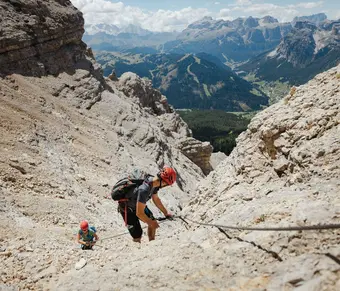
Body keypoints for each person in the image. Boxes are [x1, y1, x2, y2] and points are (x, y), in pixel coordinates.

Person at [118, 166, 177, 243]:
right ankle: (138, 251)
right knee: (137, 235)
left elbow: (156, 199)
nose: (164, 186)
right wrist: (151, 223)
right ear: (163, 182)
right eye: (166, 184)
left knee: (152, 223)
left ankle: (152, 244)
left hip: (138, 205)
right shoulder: (144, 189)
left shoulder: (154, 183)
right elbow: (139, 213)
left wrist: (166, 213)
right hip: (127, 209)